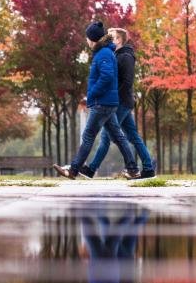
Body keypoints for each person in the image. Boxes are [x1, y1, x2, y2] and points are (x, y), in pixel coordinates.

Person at [54, 21, 139, 180]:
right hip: (108, 102)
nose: (86, 40)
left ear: (92, 39)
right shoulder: (104, 52)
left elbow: (106, 77)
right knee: (119, 137)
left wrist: (92, 93)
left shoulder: (104, 54)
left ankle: (73, 170)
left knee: (88, 136)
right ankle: (133, 169)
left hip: (102, 103)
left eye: (87, 38)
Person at [79, 28, 156, 179]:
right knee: (133, 136)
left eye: (111, 36)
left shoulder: (126, 56)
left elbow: (127, 82)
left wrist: (112, 97)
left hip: (121, 102)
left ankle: (91, 169)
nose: (108, 38)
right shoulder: (116, 55)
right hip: (121, 102)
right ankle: (148, 168)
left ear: (119, 39)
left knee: (106, 137)